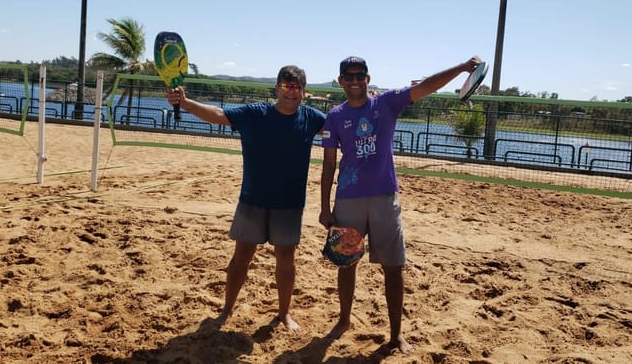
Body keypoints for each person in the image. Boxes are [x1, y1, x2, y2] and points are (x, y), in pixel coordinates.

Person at [319, 54, 482, 352]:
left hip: (384, 198)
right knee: (347, 264)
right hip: (348, 200)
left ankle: (396, 335)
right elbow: (328, 165)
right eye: (349, 76)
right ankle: (343, 321)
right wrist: (324, 207)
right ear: (341, 81)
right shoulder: (334, 115)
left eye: (360, 75)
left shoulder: (387, 103)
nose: (355, 81)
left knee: (394, 268)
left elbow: (428, 86)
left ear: (368, 78)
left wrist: (460, 68)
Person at [167, 65, 325, 331]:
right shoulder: (256, 113)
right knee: (242, 256)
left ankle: (284, 314)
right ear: (276, 88)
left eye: (296, 87)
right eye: (286, 86)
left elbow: (346, 126)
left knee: (286, 259)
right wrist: (184, 103)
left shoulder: (312, 118)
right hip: (253, 199)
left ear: (304, 92)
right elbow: (217, 114)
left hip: (289, 203)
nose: (291, 92)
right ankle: (226, 309)